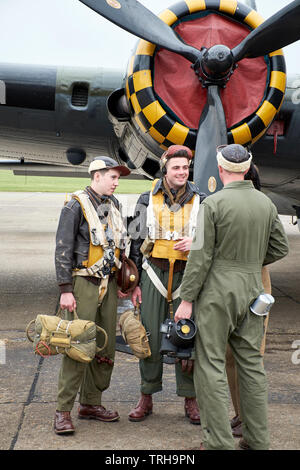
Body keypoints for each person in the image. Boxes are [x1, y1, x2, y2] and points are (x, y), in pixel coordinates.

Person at [174, 144, 289, 450]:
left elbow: (199, 257)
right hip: (254, 291)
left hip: (218, 293)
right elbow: (280, 248)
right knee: (251, 365)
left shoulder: (214, 204)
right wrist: (250, 262)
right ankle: (256, 440)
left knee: (210, 365)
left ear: (221, 169)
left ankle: (218, 442)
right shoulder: (266, 204)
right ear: (248, 168)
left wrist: (186, 299)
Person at [128, 145, 206, 424]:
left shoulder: (202, 199)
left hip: (188, 274)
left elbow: (213, 239)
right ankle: (146, 395)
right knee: (148, 335)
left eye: (185, 167)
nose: (182, 172)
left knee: (187, 334)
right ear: (165, 169)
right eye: (176, 167)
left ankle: (190, 397)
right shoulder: (145, 198)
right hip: (153, 273)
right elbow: (135, 242)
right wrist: (134, 282)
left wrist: (196, 243)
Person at [54, 156, 130, 434]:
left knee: (104, 346)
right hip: (82, 283)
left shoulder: (115, 205)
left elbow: (119, 245)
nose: (116, 182)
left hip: (108, 284)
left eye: (118, 178)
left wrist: (124, 281)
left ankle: (91, 402)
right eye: (112, 177)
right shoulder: (75, 206)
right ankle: (63, 411)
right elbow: (62, 248)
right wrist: (65, 290)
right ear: (96, 176)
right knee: (76, 345)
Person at [227, 162, 271, 438]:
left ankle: (252, 423)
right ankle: (240, 414)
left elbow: (276, 246)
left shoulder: (263, 208)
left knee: (250, 356)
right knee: (230, 356)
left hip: (254, 285)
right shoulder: (223, 204)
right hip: (231, 288)